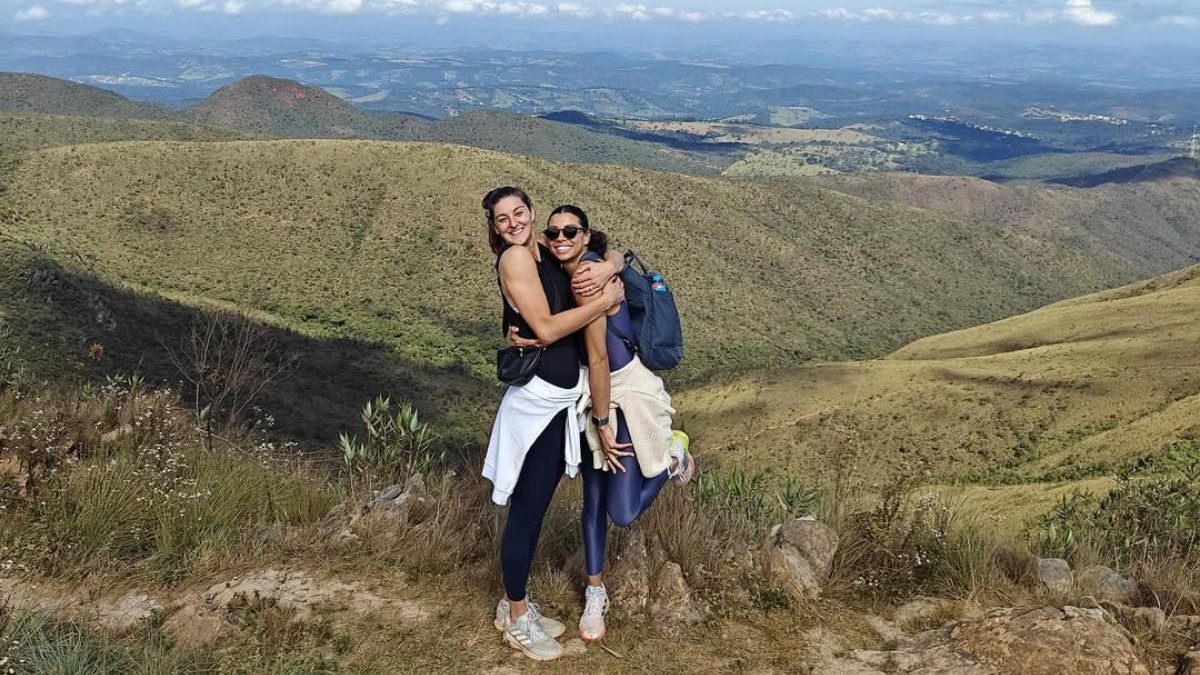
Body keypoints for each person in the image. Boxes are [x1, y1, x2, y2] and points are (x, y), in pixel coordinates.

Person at [480, 187, 625, 661]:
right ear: (495, 227)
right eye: (503, 219)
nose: (513, 222)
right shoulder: (516, 261)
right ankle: (517, 616)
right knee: (527, 510)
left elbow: (601, 246)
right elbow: (544, 330)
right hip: (537, 404)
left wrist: (611, 267)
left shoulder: (541, 247)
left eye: (519, 213)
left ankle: (512, 605)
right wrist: (602, 304)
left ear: (532, 214)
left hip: (556, 402)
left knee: (533, 507)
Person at [541, 205, 696, 643]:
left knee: (622, 512)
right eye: (553, 231)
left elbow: (600, 358)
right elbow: (535, 242)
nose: (560, 236)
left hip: (620, 392)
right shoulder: (584, 264)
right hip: (591, 392)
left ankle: (673, 455)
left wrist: (603, 421)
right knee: (592, 498)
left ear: (586, 235)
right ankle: (595, 591)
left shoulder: (589, 274)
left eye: (570, 230)